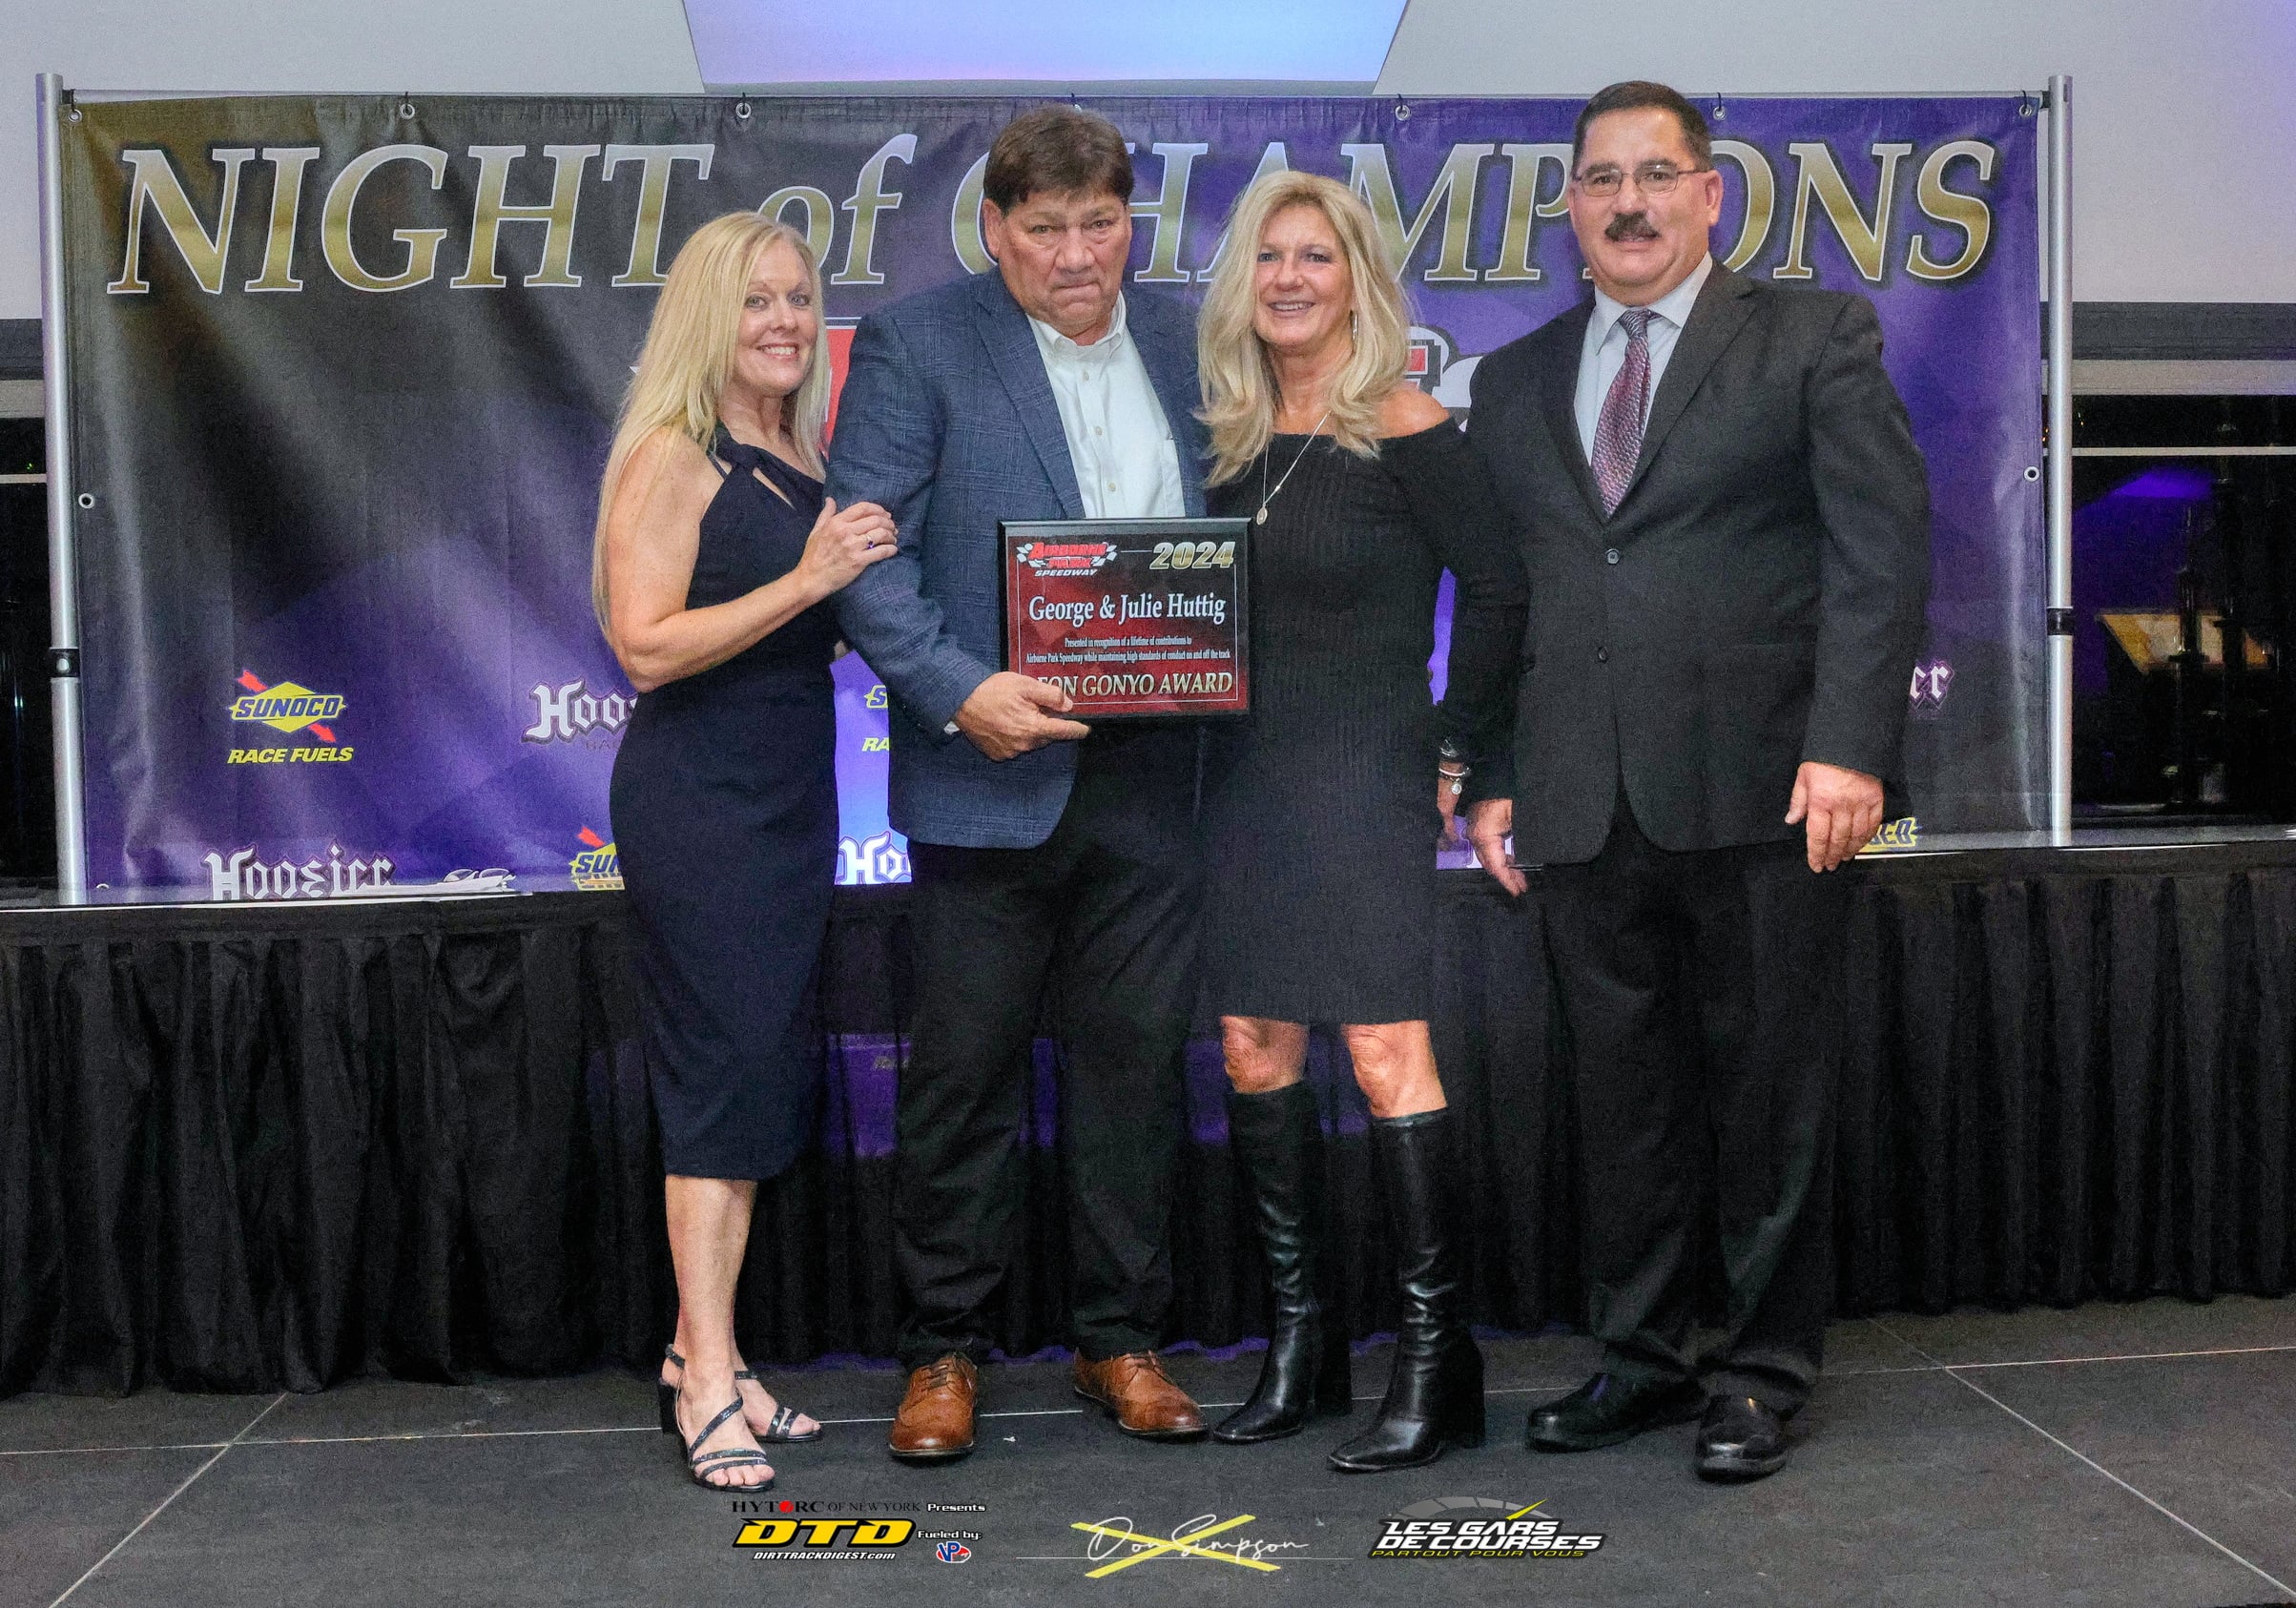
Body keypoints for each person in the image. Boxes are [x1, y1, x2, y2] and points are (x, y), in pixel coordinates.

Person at [1458, 81, 1932, 1482]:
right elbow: (1509, 597)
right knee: (1623, 1104)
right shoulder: (1519, 378)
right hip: (1579, 800)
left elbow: (1880, 551)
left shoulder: (1811, 336)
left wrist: (1850, 746)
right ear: (1571, 209)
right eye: (1601, 179)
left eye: (1657, 174)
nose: (1629, 202)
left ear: (1713, 194)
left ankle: (1762, 1372)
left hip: (1769, 795)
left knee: (1766, 1091)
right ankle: (1648, 1360)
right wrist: (1491, 772)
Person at [826, 106, 1214, 1462]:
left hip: (1159, 778)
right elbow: (864, 555)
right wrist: (955, 691)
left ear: (1133, 221)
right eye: (1043, 229)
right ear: (994, 231)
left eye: (1099, 222)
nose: (1074, 253)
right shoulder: (918, 343)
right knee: (962, 1084)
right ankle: (941, 1351)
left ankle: (1122, 1336)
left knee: (1134, 1073)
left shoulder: (1188, 338)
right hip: (988, 774)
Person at [1193, 172, 1526, 1474]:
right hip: (1246, 782)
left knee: (1387, 1049)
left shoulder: (1407, 422)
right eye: (1269, 255)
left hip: (1370, 774)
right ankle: (1304, 1346)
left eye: (1314, 258)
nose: (1288, 278)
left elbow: (1500, 590)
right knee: (1252, 1040)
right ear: (1244, 281)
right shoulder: (1225, 437)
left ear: (1358, 281)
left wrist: (1456, 744)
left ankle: (1439, 1361)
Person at [595, 213, 898, 1490]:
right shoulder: (674, 450)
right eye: (756, 300)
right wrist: (810, 578)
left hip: (785, 801)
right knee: (719, 1093)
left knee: (757, 1078)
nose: (781, 319)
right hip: (701, 804)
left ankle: (696, 1348)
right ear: (707, 318)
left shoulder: (787, 445)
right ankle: (709, 1379)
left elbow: (790, 635)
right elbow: (644, 643)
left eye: (796, 297)